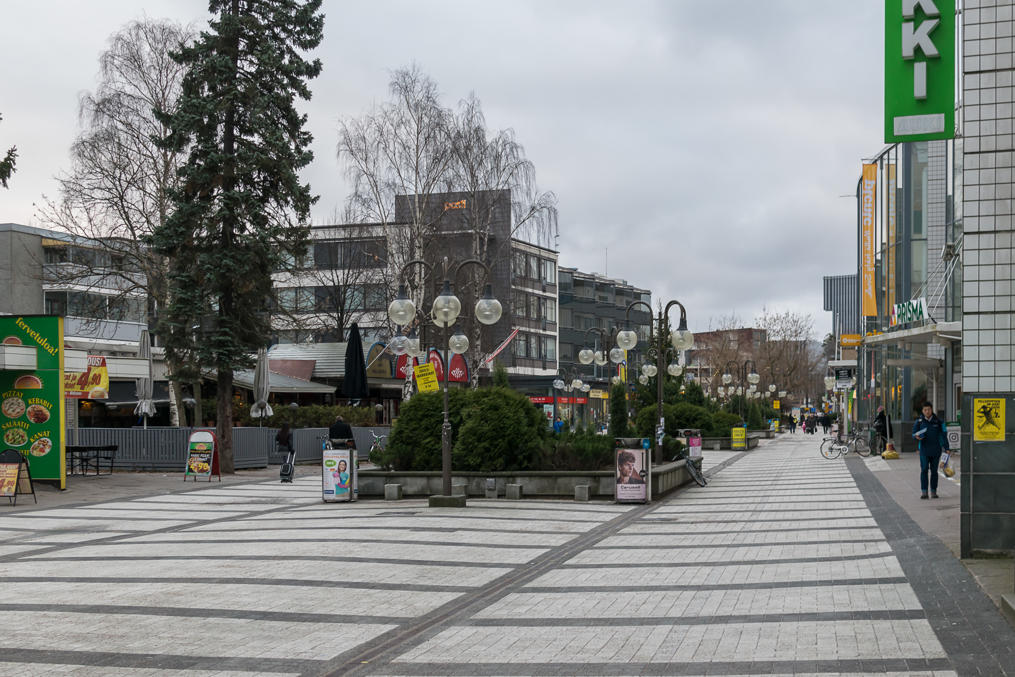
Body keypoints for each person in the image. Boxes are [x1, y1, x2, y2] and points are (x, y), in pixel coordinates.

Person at [912, 401, 949, 499]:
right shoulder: (919, 421)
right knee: (924, 470)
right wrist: (916, 437)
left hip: (936, 450)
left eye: (928, 409)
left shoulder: (939, 421)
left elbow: (944, 435)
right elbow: (913, 434)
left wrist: (947, 448)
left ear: (932, 410)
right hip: (924, 450)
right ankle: (924, 492)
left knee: (934, 471)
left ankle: (933, 491)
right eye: (925, 410)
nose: (927, 411)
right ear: (922, 411)